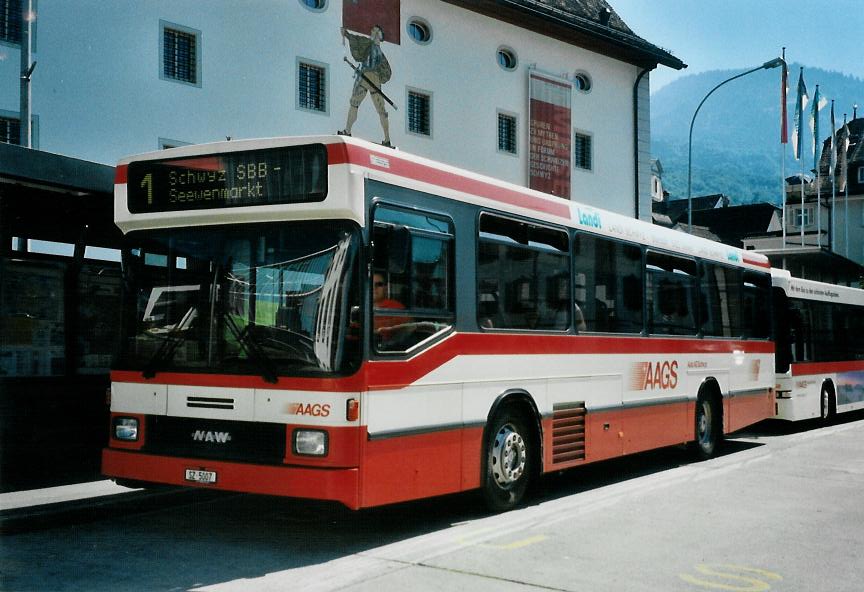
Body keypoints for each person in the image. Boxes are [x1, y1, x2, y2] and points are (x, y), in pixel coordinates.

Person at [339, 25, 392, 147]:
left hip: (372, 77)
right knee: (355, 103)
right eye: (373, 31)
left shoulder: (380, 53)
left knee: (380, 109)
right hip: (365, 75)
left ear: (381, 36)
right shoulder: (367, 43)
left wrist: (347, 34)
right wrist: (346, 34)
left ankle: (387, 139)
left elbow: (387, 72)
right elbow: (356, 38)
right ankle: (347, 131)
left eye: (377, 31)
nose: (374, 33)